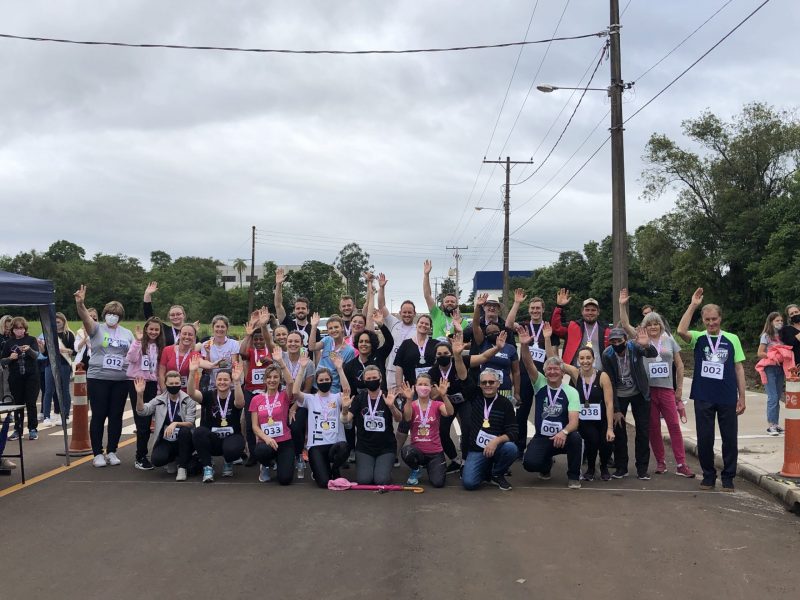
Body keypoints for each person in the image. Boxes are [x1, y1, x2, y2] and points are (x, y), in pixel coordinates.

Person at [677, 288, 746, 492]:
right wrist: (693, 305)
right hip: (703, 395)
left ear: (720, 318)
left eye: (714, 319)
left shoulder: (732, 339)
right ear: (703, 320)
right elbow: (681, 331)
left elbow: (739, 368)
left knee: (729, 438)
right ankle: (708, 475)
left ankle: (728, 477)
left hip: (727, 396)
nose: (711, 323)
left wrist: (742, 396)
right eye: (707, 320)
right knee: (705, 438)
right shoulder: (698, 337)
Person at [620, 290, 694, 477]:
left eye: (656, 323)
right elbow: (625, 324)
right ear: (645, 326)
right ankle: (661, 462)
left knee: (674, 426)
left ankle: (681, 464)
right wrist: (622, 305)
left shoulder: (669, 340)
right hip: (648, 391)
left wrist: (679, 389)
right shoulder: (639, 338)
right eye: (649, 324)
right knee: (653, 428)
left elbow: (679, 364)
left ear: (661, 325)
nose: (653, 327)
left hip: (667, 390)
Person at [536, 323, 615, 481]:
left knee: (606, 441)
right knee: (592, 440)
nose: (585, 361)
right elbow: (553, 361)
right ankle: (591, 467)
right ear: (578, 360)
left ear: (593, 359)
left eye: (588, 358)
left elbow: (609, 403)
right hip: (584, 419)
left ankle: (604, 466)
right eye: (582, 358)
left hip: (601, 418)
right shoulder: (575, 373)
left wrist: (610, 428)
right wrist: (547, 339)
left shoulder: (603, 376)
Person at [74, 285, 134, 467]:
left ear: (120, 317)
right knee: (99, 415)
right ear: (104, 314)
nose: (112, 316)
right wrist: (80, 304)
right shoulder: (96, 329)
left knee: (116, 415)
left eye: (115, 314)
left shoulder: (127, 333)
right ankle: (97, 453)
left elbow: (133, 354)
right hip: (98, 378)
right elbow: (85, 317)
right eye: (109, 313)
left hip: (120, 380)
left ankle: (112, 451)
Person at [520, 350, 583, 489]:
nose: (552, 372)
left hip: (564, 437)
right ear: (544, 372)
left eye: (556, 369)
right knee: (529, 464)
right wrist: (524, 345)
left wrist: (564, 432)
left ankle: (573, 476)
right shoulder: (540, 384)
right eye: (549, 369)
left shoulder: (571, 392)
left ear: (563, 373)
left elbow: (574, 422)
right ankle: (546, 464)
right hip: (543, 437)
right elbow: (528, 364)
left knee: (576, 438)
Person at [506, 295, 560, 457]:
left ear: (543, 310)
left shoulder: (549, 328)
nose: (535, 311)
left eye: (538, 308)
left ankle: (544, 447)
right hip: (524, 376)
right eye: (532, 308)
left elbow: (553, 357)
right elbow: (508, 324)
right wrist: (517, 303)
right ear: (529, 310)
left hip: (544, 378)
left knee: (546, 412)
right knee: (521, 414)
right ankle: (519, 447)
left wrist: (547, 338)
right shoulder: (523, 326)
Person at [601, 326, 658, 480]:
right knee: (619, 432)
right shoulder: (607, 354)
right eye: (613, 341)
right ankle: (621, 467)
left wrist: (646, 345)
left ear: (625, 340)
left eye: (619, 341)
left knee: (643, 431)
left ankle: (642, 469)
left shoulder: (634, 347)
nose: (616, 344)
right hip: (619, 394)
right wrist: (616, 408)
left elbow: (652, 354)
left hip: (639, 393)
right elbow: (610, 382)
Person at [291, 354, 350, 487]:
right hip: (316, 446)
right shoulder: (310, 399)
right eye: (321, 380)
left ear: (331, 381)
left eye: (327, 379)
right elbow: (295, 392)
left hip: (335, 444)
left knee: (344, 447)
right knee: (324, 483)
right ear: (316, 383)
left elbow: (347, 390)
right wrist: (302, 368)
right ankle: (321, 469)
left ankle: (335, 468)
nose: (324, 382)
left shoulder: (337, 397)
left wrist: (340, 369)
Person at [188, 356, 246, 483]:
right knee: (198, 432)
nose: (222, 382)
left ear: (230, 382)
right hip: (213, 440)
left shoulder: (235, 394)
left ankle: (228, 461)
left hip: (231, 438)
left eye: (226, 380)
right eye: (219, 379)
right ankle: (208, 467)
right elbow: (191, 393)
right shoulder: (209, 395)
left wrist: (237, 382)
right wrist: (192, 373)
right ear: (215, 381)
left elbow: (240, 403)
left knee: (232, 448)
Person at [342, 365, 403, 485]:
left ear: (380, 378)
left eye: (374, 378)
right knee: (364, 480)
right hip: (364, 448)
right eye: (368, 379)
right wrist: (344, 409)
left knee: (381, 480)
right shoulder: (359, 398)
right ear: (364, 380)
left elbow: (398, 418)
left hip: (386, 448)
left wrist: (391, 406)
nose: (371, 380)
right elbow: (345, 420)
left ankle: (383, 469)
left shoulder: (388, 396)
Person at [461, 368, 519, 491]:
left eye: (491, 382)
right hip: (477, 449)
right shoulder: (475, 397)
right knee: (469, 483)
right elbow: (464, 377)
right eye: (484, 382)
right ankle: (486, 469)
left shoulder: (505, 404)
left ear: (498, 384)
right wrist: (458, 357)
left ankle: (497, 473)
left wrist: (496, 441)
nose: (487, 385)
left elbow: (514, 432)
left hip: (497, 447)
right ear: (480, 385)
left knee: (511, 448)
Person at [134, 372, 196, 481]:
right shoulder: (159, 400)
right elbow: (142, 411)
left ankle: (182, 467)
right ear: (165, 384)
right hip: (167, 439)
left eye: (176, 383)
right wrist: (140, 394)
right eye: (171, 383)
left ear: (180, 384)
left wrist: (175, 423)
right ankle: (172, 460)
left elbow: (190, 422)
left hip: (184, 439)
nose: (174, 385)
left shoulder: (188, 400)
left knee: (185, 431)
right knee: (157, 460)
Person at [126, 317, 166, 470]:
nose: (153, 332)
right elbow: (130, 358)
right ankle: (140, 456)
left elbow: (159, 368)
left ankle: (155, 453)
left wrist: (160, 388)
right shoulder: (139, 343)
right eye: (151, 329)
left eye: (156, 330)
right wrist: (137, 341)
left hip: (152, 384)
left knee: (151, 421)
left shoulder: (160, 346)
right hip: (137, 383)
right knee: (142, 421)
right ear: (146, 329)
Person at [400, 374, 454, 488]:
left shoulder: (437, 404)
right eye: (420, 384)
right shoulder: (412, 405)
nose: (423, 387)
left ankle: (431, 467)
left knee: (438, 483)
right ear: (415, 387)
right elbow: (407, 418)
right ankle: (416, 469)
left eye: (426, 384)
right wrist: (409, 399)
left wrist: (444, 396)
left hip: (435, 452)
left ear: (431, 387)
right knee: (406, 451)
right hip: (417, 451)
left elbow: (449, 412)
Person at [250, 358, 297, 484]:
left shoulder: (284, 396)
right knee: (261, 451)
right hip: (266, 442)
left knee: (285, 480)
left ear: (280, 380)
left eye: (275, 377)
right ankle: (266, 465)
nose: (272, 380)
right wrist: (267, 439)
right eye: (269, 377)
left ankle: (280, 462)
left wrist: (281, 363)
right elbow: (255, 426)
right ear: (265, 380)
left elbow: (290, 382)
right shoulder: (256, 399)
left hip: (284, 441)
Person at [239, 309, 273, 464]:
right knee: (249, 423)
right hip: (251, 391)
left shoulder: (270, 351)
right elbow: (241, 353)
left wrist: (270, 361)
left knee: (268, 420)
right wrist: (248, 335)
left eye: (261, 339)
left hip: (267, 391)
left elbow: (277, 361)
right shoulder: (251, 350)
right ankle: (253, 454)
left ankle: (270, 452)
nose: (259, 341)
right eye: (256, 339)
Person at [1, 317, 41, 441]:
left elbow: (36, 355)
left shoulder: (31, 340)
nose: (20, 331)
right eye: (17, 328)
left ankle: (33, 429)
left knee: (31, 403)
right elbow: (2, 361)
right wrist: (10, 358)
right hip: (15, 377)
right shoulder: (9, 343)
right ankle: (18, 430)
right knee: (18, 404)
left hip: (31, 377)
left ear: (25, 329)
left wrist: (29, 350)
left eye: (22, 328)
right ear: (13, 330)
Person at [471, 303, 520, 405]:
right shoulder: (483, 343)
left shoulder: (510, 348)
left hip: (505, 390)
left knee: (504, 413)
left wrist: (516, 392)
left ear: (500, 332)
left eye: (495, 331)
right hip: (485, 389)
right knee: (485, 413)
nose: (492, 332)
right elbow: (475, 325)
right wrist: (478, 307)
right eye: (489, 331)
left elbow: (516, 372)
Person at [550, 289, 611, 369]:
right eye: (587, 310)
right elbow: (556, 327)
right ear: (582, 311)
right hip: (576, 372)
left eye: (593, 310)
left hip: (599, 372)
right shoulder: (573, 326)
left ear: (598, 312)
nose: (590, 313)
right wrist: (559, 307)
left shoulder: (606, 330)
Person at [376, 272, 417, 391]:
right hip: (392, 370)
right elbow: (381, 306)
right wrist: (382, 288)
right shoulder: (393, 323)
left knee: (409, 398)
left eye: (410, 312)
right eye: (404, 312)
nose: (407, 315)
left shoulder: (418, 329)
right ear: (400, 313)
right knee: (392, 398)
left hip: (410, 370)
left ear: (414, 313)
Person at [40, 312, 75, 426]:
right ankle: (46, 416)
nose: (56, 324)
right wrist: (41, 348)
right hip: (50, 364)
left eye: (58, 322)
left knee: (64, 390)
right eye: (54, 322)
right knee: (48, 390)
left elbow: (74, 351)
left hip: (64, 364)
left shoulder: (69, 334)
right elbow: (45, 353)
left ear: (64, 322)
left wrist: (67, 350)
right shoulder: (49, 334)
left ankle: (65, 415)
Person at [308, 314, 355, 392]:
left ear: (342, 328)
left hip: (333, 389)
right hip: (317, 386)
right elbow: (312, 347)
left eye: (336, 327)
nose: (333, 330)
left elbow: (347, 374)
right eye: (330, 328)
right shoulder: (327, 340)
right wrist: (314, 327)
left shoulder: (349, 351)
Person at [758, 312, 785, 436]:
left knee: (777, 397)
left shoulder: (782, 336)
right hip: (769, 368)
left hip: (780, 368)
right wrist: (771, 356)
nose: (780, 323)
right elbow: (760, 353)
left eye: (781, 320)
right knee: (772, 397)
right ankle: (771, 426)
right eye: (777, 320)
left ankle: (776, 423)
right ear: (771, 322)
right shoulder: (766, 336)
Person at [142, 281, 196, 346]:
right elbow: (149, 316)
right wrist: (147, 294)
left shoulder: (190, 333)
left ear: (184, 315)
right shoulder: (164, 329)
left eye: (178, 314)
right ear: (169, 317)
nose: (175, 317)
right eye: (172, 315)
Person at [199, 315, 241, 393]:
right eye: (217, 326)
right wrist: (208, 352)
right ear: (213, 328)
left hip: (230, 384)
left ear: (227, 328)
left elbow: (234, 366)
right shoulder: (206, 344)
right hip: (213, 385)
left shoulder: (234, 344)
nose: (220, 329)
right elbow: (207, 371)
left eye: (222, 327)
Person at [422, 260, 463, 339]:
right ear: (442, 304)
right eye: (447, 301)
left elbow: (466, 342)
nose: (449, 303)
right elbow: (427, 296)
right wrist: (426, 275)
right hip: (436, 347)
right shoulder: (436, 314)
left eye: (452, 301)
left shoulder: (463, 322)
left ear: (457, 304)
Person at [274, 268, 313, 350]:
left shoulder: (314, 329)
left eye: (303, 308)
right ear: (294, 311)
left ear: (308, 311)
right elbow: (278, 305)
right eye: (298, 308)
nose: (300, 310)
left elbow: (317, 352)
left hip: (307, 359)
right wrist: (279, 285)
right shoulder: (287, 324)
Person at [74, 307, 98, 372]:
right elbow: (76, 348)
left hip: (95, 361)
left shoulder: (100, 331)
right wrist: (85, 338)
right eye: (90, 316)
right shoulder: (80, 332)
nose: (92, 318)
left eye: (94, 316)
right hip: (81, 362)